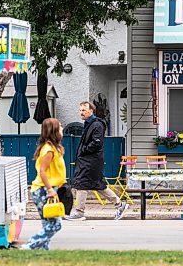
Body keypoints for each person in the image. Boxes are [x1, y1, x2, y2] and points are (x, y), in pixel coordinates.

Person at [66, 101, 129, 221]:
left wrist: (83, 150)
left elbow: (96, 143)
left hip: (90, 161)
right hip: (90, 160)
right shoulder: (90, 124)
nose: (81, 113)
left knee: (81, 183)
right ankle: (120, 205)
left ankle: (79, 212)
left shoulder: (96, 125)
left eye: (84, 110)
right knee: (98, 185)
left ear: (91, 111)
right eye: (80, 110)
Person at [21, 118, 66, 250]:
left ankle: (43, 250)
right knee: (55, 225)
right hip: (43, 190)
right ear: (54, 130)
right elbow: (42, 171)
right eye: (60, 127)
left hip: (47, 189)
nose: (62, 129)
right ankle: (29, 246)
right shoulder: (49, 150)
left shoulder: (53, 148)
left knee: (47, 224)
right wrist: (50, 189)